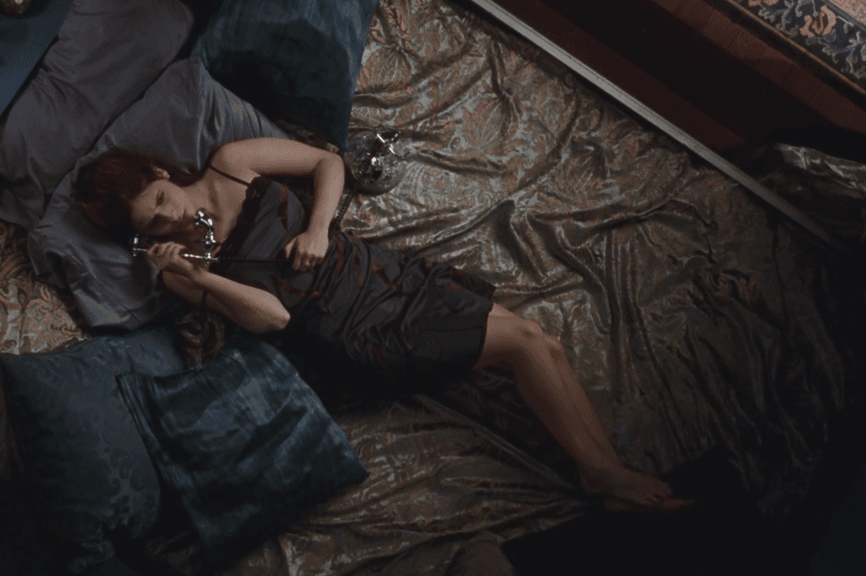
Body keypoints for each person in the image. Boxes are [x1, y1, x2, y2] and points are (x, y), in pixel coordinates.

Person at [76, 137, 696, 513]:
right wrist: (196, 273)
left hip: (375, 272)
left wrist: (318, 228)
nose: (170, 217)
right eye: (152, 225)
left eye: (161, 200)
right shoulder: (184, 274)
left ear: (160, 174)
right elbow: (273, 317)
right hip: (347, 330)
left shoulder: (232, 163)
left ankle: (599, 471)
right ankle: (604, 473)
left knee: (542, 344)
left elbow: (327, 162)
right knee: (528, 343)